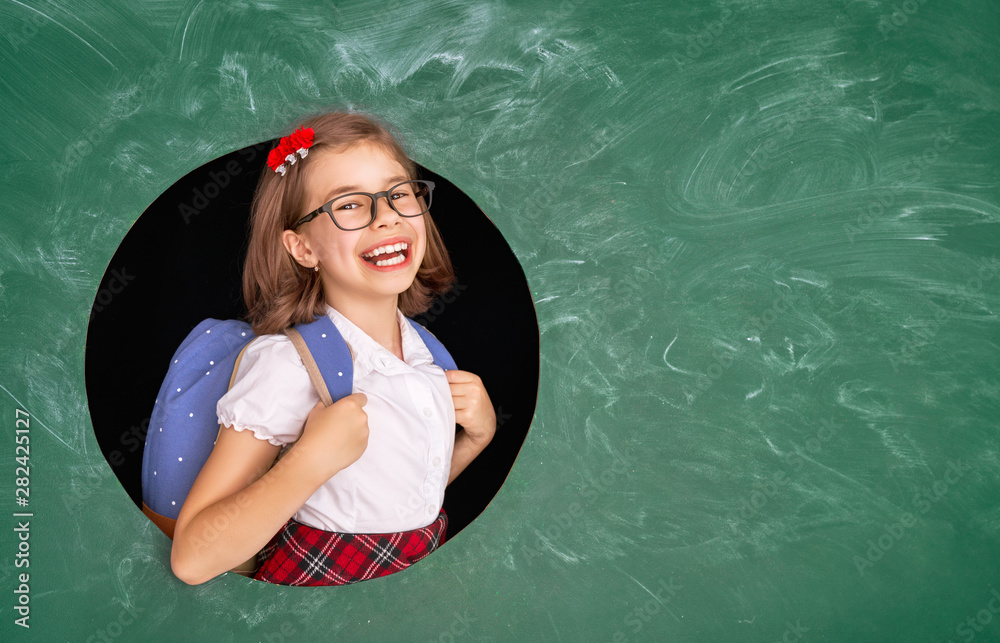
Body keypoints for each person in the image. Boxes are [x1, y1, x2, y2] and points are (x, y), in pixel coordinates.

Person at [170, 112, 496, 586]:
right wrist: (310, 460)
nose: (386, 217)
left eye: (399, 194)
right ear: (302, 248)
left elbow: (388, 504)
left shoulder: (429, 358)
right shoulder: (289, 366)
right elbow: (191, 560)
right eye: (349, 205)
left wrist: (475, 439)